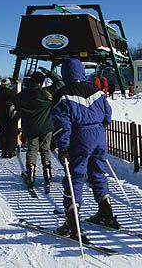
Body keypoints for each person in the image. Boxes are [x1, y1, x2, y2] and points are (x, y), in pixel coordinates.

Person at [52, 59, 118, 240]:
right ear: (81, 71)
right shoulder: (96, 90)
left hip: (79, 138)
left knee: (76, 176)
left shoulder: (63, 94)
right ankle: (106, 212)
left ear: (65, 73)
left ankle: (73, 223)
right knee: (98, 172)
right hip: (99, 136)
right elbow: (108, 114)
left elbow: (62, 124)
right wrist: (100, 126)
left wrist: (63, 147)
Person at [15, 67, 64, 189]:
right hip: (46, 127)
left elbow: (17, 108)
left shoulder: (22, 95)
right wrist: (49, 73)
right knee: (45, 149)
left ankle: (30, 172)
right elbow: (60, 83)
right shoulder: (47, 93)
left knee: (32, 149)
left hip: (30, 127)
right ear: (42, 82)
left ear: (31, 81)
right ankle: (47, 171)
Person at [0, 78, 18, 158]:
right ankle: (11, 151)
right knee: (12, 134)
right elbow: (18, 105)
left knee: (3, 133)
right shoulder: (12, 94)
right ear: (8, 85)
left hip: (1, 117)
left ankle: (4, 151)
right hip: (11, 117)